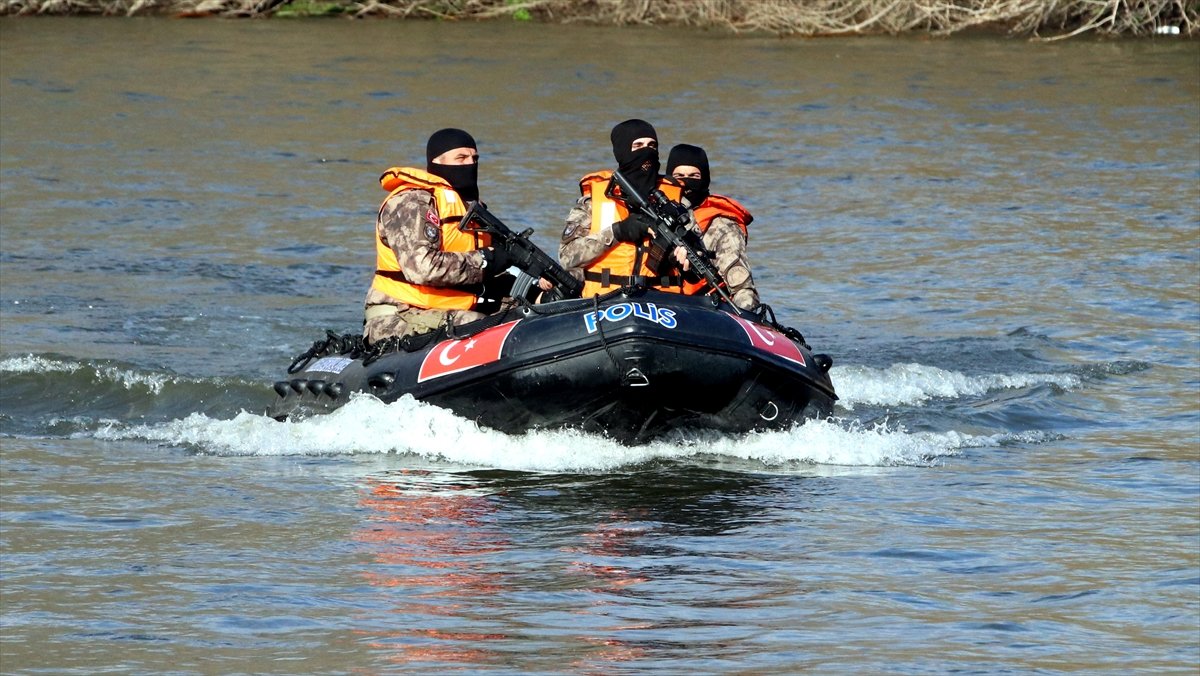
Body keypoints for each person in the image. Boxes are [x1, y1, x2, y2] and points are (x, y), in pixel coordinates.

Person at [362, 128, 512, 345]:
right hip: (400, 313)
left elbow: (489, 270)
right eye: (460, 158)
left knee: (526, 310)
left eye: (474, 158)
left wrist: (531, 285)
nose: (470, 164)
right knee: (480, 327)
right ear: (436, 162)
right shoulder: (410, 203)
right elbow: (422, 268)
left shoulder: (470, 209)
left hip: (450, 307)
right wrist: (486, 260)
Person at [559, 119, 689, 298]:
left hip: (661, 303)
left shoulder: (674, 199)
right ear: (623, 151)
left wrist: (681, 260)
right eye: (638, 146)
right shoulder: (594, 200)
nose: (647, 152)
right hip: (604, 300)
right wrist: (617, 232)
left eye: (652, 146)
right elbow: (566, 257)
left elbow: (694, 250)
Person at [665, 143, 760, 312]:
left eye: (694, 176)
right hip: (660, 308)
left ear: (705, 179)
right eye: (679, 175)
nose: (686, 182)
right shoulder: (656, 217)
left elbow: (742, 288)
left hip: (705, 311)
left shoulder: (722, 226)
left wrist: (747, 315)